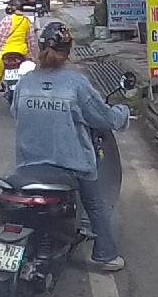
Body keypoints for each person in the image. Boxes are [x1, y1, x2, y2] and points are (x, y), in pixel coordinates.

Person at [10, 22, 130, 272]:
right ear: (68, 51)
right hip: (71, 164)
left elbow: (15, 113)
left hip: (29, 164)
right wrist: (122, 112)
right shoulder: (76, 84)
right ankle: (106, 255)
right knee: (95, 203)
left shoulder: (25, 82)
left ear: (39, 48)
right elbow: (105, 119)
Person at [0, 0, 35, 112]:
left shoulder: (6, 20)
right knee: (26, 77)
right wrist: (30, 55)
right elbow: (30, 40)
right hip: (21, 55)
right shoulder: (26, 21)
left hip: (5, 54)